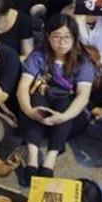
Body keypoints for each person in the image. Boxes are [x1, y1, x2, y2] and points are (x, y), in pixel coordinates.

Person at [15, 13, 95, 184]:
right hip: (38, 114)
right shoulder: (38, 56)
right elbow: (22, 88)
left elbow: (83, 96)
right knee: (36, 97)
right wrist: (30, 111)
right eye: (57, 36)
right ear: (48, 36)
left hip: (68, 117)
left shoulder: (83, 62)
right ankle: (33, 157)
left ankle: (50, 159)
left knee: (67, 104)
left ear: (75, 38)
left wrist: (63, 117)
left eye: (67, 37)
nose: (62, 42)